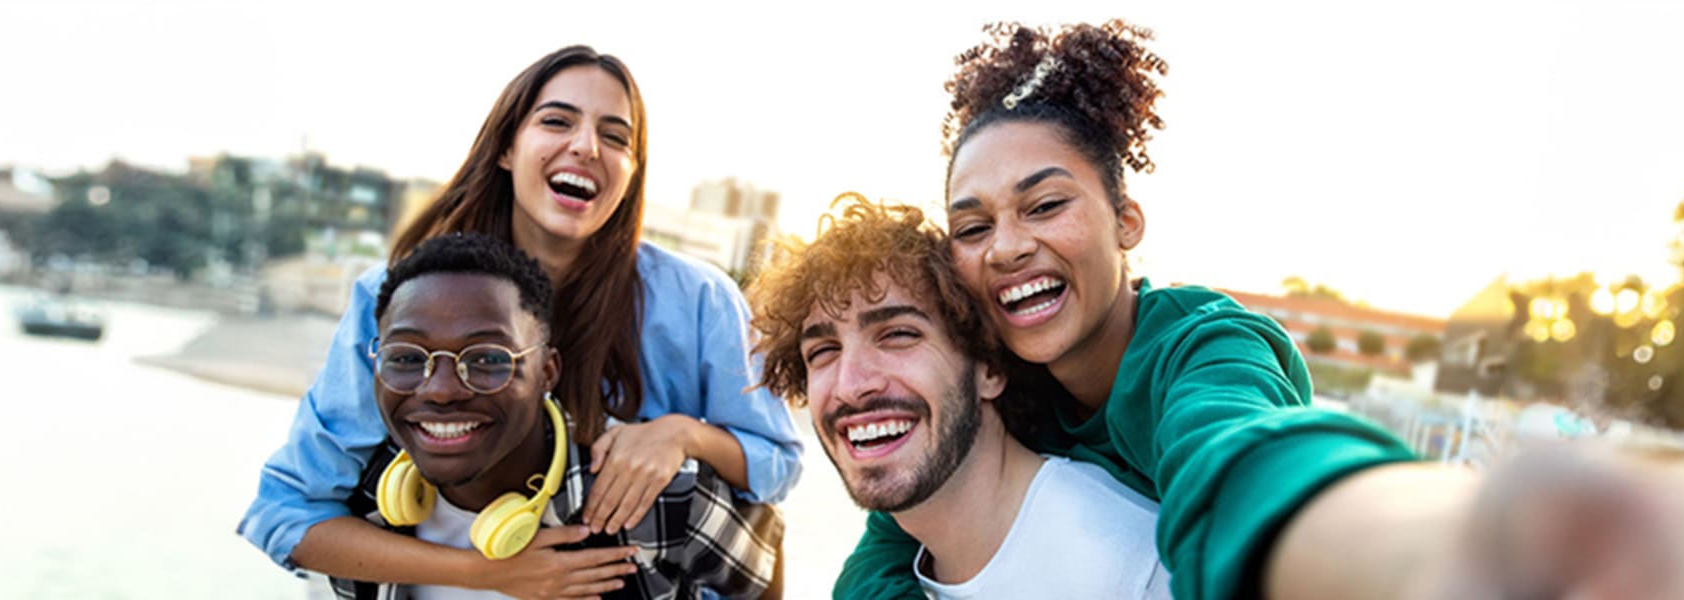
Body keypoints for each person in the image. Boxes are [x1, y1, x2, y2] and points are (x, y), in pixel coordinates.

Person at [835, 22, 1438, 599]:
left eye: (1044, 205)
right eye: (972, 226)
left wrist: (1384, 543)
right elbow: (880, 555)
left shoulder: (1204, 348)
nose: (1007, 246)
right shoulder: (998, 383)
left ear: (1125, 221)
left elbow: (1239, 456)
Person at [239, 45, 802, 598]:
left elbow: (777, 469)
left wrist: (681, 435)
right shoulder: (394, 296)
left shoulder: (699, 298)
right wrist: (483, 573)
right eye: (557, 121)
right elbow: (286, 513)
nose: (585, 147)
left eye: (614, 136)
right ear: (507, 147)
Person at [749, 195, 1171, 599]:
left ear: (990, 367)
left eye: (898, 334)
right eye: (823, 352)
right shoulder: (913, 566)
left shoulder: (1137, 571)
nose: (850, 385)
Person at [332, 232, 779, 599]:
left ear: (547, 372)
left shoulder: (660, 495)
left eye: (487, 360)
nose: (442, 390)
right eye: (407, 358)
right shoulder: (366, 509)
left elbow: (765, 560)